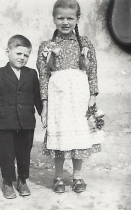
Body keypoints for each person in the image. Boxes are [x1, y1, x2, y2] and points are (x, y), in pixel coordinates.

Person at [36, 0, 103, 193]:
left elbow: (92, 73)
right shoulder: (46, 46)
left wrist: (93, 97)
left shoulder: (86, 44)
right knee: (60, 137)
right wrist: (45, 104)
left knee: (79, 136)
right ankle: (58, 177)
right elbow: (43, 77)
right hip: (58, 100)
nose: (65, 22)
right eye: (60, 18)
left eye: (70, 18)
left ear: (77, 19)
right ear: (54, 18)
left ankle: (78, 177)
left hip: (80, 99)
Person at [0, 35, 42, 199]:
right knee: (6, 153)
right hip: (5, 122)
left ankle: (22, 180)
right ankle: (8, 182)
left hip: (26, 122)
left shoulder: (31, 74)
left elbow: (36, 97)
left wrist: (43, 113)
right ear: (8, 52)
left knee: (24, 152)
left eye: (26, 55)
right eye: (18, 53)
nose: (22, 58)